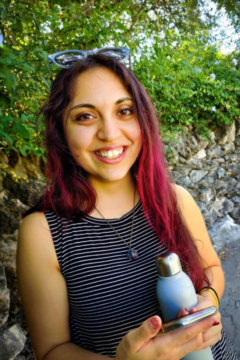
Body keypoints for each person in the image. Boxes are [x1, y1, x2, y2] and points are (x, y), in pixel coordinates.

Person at [17, 49, 237, 360]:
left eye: (124, 111)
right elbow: (51, 350)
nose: (109, 133)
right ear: (61, 131)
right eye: (85, 116)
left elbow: (212, 269)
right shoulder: (41, 233)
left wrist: (208, 299)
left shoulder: (175, 200)